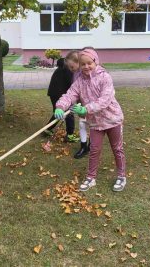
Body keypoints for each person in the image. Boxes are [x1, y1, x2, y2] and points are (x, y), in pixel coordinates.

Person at [54, 48, 126, 192]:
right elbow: (70, 94)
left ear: (95, 61)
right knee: (94, 149)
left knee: (117, 149)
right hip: (95, 122)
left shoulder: (105, 77)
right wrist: (60, 106)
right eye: (83, 64)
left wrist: (86, 109)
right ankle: (91, 178)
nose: (86, 67)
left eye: (89, 63)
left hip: (112, 119)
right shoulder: (79, 80)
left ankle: (121, 176)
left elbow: (105, 100)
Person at [44, 57, 79, 143]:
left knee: (58, 112)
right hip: (60, 95)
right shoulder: (67, 70)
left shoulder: (60, 69)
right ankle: (70, 135)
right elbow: (72, 84)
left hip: (54, 93)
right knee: (69, 113)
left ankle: (47, 129)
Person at [65, 50, 90, 159]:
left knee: (93, 126)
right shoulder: (76, 74)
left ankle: (92, 145)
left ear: (78, 62)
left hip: (93, 105)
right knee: (82, 124)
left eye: (71, 66)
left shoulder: (89, 72)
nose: (70, 69)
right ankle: (84, 146)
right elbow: (74, 91)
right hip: (81, 103)